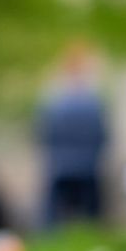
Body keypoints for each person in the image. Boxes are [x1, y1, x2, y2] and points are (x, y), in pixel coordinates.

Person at [38, 44, 108, 225]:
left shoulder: (54, 103)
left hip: (61, 166)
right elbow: (102, 135)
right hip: (88, 166)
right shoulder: (94, 102)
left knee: (57, 218)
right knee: (90, 216)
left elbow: (45, 134)